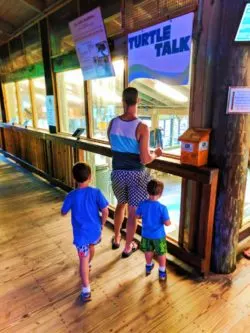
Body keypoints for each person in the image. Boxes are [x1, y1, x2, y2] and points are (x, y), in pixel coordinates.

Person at [108, 87, 162, 257]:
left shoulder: (113, 123)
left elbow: (113, 145)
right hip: (136, 176)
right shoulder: (142, 127)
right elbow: (145, 159)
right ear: (138, 101)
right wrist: (156, 153)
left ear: (123, 101)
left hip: (117, 172)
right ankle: (127, 246)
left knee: (120, 205)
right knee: (132, 213)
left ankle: (116, 238)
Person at [61, 162, 109, 302]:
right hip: (95, 232)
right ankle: (88, 264)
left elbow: (63, 212)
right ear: (90, 177)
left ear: (74, 178)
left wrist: (65, 209)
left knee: (83, 258)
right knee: (91, 247)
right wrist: (102, 223)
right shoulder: (96, 192)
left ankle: (86, 289)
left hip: (81, 235)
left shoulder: (71, 195)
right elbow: (105, 210)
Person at [136, 179, 171, 281]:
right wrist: (168, 222)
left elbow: (137, 216)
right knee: (161, 253)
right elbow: (167, 223)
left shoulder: (142, 204)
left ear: (148, 191)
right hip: (159, 236)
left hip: (146, 234)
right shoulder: (162, 208)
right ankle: (162, 271)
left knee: (148, 251)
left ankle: (148, 266)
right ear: (160, 193)